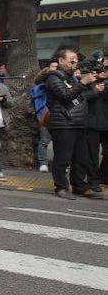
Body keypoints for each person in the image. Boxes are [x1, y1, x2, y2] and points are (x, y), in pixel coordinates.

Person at [44, 48, 101, 199]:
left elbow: (80, 97)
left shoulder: (73, 78)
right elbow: (64, 96)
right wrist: (83, 82)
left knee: (81, 158)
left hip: (78, 123)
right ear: (61, 61)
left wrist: (91, 86)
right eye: (71, 60)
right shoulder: (53, 77)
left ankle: (79, 186)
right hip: (63, 123)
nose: (74, 62)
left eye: (76, 60)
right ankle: (61, 187)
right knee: (63, 158)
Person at [83, 59, 107, 194]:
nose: (103, 71)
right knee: (92, 155)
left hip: (106, 123)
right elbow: (80, 97)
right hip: (91, 124)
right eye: (102, 68)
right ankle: (93, 181)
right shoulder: (88, 82)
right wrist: (94, 90)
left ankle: (103, 176)